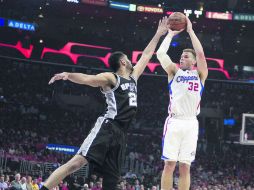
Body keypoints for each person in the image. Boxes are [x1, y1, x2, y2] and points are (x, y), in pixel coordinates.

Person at [40, 17, 169, 190]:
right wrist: (69, 75)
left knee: (111, 179)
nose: (132, 61)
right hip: (108, 127)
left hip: (121, 134)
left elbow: (146, 54)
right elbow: (89, 79)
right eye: (128, 59)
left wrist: (158, 33)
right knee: (76, 163)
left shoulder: (133, 77)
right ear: (123, 62)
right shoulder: (111, 78)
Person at [156, 16, 208, 190]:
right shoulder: (174, 71)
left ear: (193, 61)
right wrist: (169, 35)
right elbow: (160, 54)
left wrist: (191, 31)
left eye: (185, 57)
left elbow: (200, 53)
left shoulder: (200, 75)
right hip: (175, 121)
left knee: (185, 167)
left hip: (191, 123)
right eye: (181, 56)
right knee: (169, 164)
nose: (182, 58)